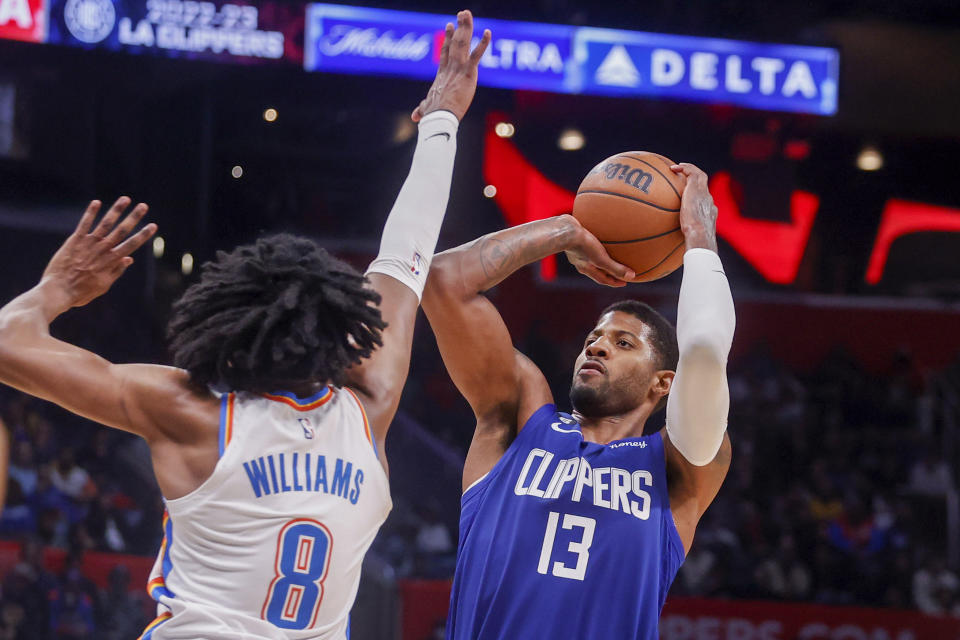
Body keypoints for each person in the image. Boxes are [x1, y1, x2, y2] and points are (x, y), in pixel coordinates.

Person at [0, 11, 490, 639]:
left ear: (227, 334)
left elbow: (10, 343)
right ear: (341, 330)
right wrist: (443, 119)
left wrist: (55, 290)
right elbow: (405, 254)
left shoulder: (189, 411)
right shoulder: (371, 409)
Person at [422, 163, 735, 638]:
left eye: (624, 343)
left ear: (663, 384)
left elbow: (706, 351)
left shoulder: (677, 471)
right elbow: (442, 281)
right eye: (595, 336)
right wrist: (563, 231)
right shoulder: (520, 417)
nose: (598, 345)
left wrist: (697, 234)